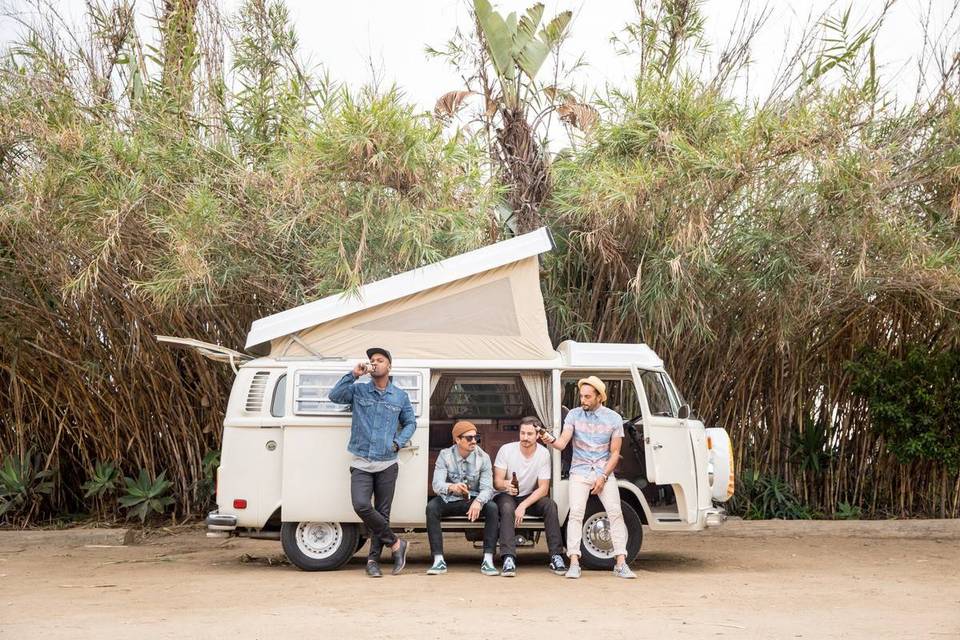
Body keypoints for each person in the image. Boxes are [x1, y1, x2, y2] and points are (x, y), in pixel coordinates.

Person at [328, 347, 416, 578]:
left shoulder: (399, 396)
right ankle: (397, 544)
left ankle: (372, 561)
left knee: (382, 514)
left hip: (387, 463)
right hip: (361, 461)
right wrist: (353, 374)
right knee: (361, 505)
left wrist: (398, 442)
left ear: (389, 366)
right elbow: (334, 396)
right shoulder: (358, 391)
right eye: (371, 360)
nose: (374, 363)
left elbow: (410, 423)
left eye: (380, 360)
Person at [540, 376, 637, 579]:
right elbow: (562, 443)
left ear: (599, 397)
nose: (583, 400)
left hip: (603, 471)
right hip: (579, 471)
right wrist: (549, 439)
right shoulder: (574, 415)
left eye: (587, 396)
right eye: (581, 396)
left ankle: (621, 563)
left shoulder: (613, 419)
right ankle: (574, 562)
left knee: (615, 513)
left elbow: (615, 453)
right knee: (576, 514)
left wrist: (603, 476)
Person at [492, 416, 566, 577]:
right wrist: (506, 484)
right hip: (506, 495)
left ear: (538, 435)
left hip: (528, 497)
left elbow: (543, 488)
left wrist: (523, 505)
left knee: (550, 505)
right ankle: (508, 557)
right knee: (506, 507)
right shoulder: (506, 449)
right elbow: (497, 482)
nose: (525, 437)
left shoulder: (543, 453)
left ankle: (556, 555)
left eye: (530, 434)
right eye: (522, 433)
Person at [425, 420, 499, 576]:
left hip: (473, 500)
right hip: (451, 499)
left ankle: (488, 559)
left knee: (492, 507)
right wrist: (452, 487)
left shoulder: (483, 457)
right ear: (457, 440)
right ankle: (438, 560)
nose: (474, 441)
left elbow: (488, 488)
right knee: (431, 507)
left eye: (476, 437)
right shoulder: (445, 455)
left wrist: (478, 501)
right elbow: (436, 485)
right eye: (469, 438)